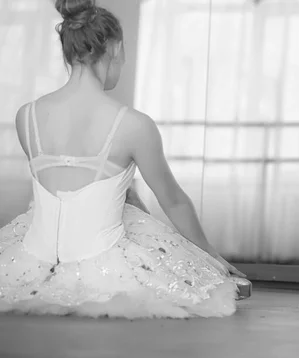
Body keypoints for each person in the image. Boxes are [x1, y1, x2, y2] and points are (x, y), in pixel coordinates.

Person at [0, 0, 246, 319]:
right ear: (115, 48)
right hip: (103, 266)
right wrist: (211, 256)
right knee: (195, 276)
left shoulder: (26, 116)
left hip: (30, 263)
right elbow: (173, 201)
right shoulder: (133, 125)